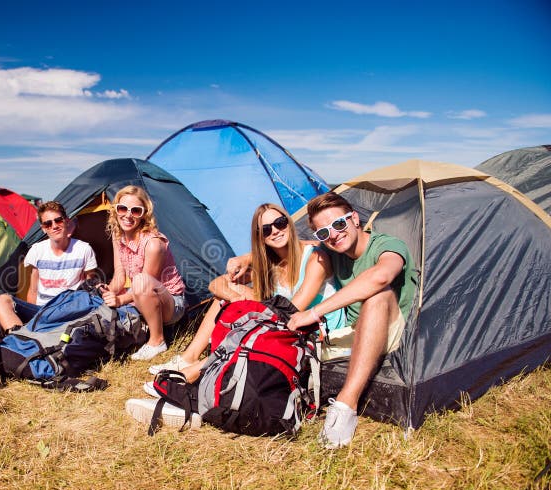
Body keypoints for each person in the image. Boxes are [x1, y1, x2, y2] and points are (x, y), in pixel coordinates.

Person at [147, 202, 345, 382]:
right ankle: (188, 358)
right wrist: (236, 297)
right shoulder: (270, 265)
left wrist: (249, 308)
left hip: (318, 333)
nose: (275, 231)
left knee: (255, 330)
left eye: (280, 222)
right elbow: (215, 285)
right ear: (261, 237)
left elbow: (294, 309)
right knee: (223, 297)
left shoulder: (315, 258)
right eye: (266, 230)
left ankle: (195, 372)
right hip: (289, 325)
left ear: (289, 223)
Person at [286, 192, 418, 449]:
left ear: (355, 219)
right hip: (352, 331)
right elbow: (297, 245)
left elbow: (381, 276)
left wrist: (315, 313)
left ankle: (347, 404)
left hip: (393, 327)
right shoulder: (331, 249)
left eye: (338, 224)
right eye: (323, 232)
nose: (333, 235)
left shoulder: (387, 245)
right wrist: (245, 259)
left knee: (377, 294)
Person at [99, 185, 187, 361]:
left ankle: (157, 341)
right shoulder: (119, 236)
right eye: (123, 208)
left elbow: (145, 285)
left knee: (140, 281)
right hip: (142, 296)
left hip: (170, 303)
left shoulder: (154, 244)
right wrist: (109, 291)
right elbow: (119, 276)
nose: (128, 215)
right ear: (115, 210)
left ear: (144, 213)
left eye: (136, 211)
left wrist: (120, 300)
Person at [0, 201, 98, 332]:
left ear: (66, 221)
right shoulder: (37, 250)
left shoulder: (84, 249)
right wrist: (34, 319)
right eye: (48, 224)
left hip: (70, 310)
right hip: (42, 310)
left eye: (58, 221)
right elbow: (33, 290)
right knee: (1, 301)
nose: (54, 226)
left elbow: (90, 286)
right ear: (43, 228)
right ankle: (21, 338)